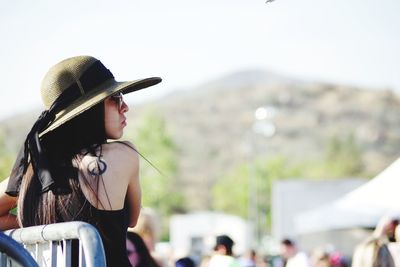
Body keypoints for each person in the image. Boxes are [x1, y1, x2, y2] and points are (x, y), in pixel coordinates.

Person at [0, 55, 162, 266]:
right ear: (89, 110)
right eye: (115, 98)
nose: (125, 107)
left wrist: (41, 226)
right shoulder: (123, 155)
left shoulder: (33, 172)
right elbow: (132, 219)